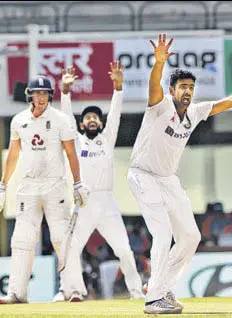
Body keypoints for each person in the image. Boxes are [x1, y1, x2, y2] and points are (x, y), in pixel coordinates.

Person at [127, 33, 232, 314]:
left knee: (190, 237)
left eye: (191, 87)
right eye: (182, 87)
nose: (187, 91)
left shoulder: (196, 112)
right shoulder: (159, 105)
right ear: (172, 89)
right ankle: (153, 300)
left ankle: (162, 287)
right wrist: (159, 63)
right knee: (163, 234)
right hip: (142, 175)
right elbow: (154, 85)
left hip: (168, 180)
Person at [0, 75, 89, 304]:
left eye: (45, 93)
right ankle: (16, 292)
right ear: (30, 95)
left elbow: (71, 153)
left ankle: (73, 290)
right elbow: (13, 154)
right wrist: (2, 185)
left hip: (55, 185)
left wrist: (78, 182)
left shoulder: (61, 119)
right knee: (21, 239)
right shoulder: (19, 121)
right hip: (28, 187)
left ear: (50, 95)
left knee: (61, 237)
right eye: (37, 93)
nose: (41, 98)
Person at [52, 61, 145, 301]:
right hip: (82, 203)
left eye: (95, 117)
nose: (92, 120)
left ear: (100, 123)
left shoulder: (107, 138)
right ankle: (71, 291)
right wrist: (64, 91)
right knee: (71, 250)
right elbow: (65, 118)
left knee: (124, 249)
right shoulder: (76, 140)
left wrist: (118, 87)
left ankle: (136, 292)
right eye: (87, 118)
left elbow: (116, 113)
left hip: (107, 203)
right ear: (82, 124)